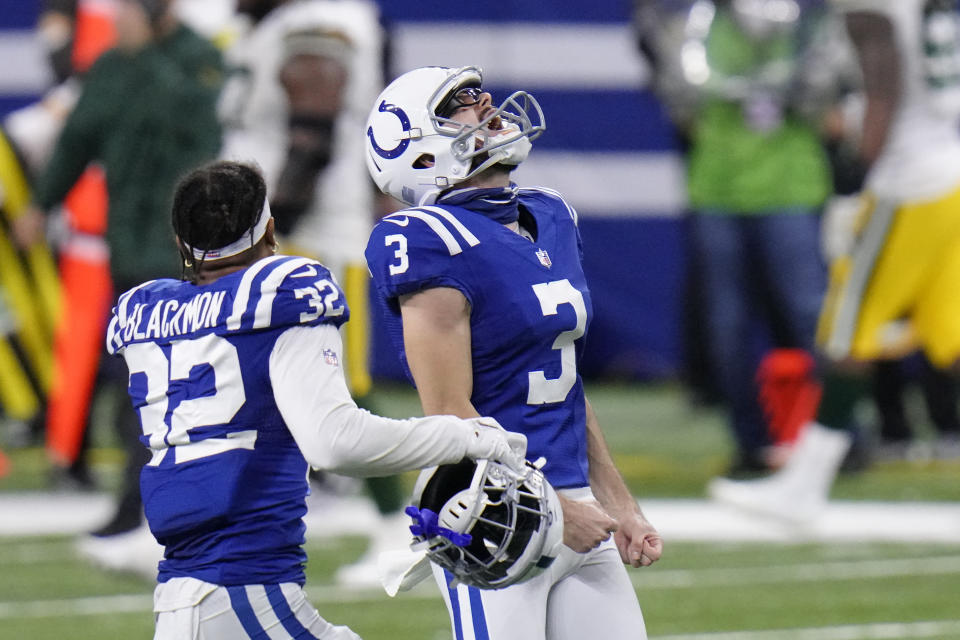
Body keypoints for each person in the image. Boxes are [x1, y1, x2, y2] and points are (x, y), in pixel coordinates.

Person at [107, 159, 527, 639]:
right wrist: (463, 435)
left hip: (189, 595)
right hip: (242, 590)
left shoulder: (142, 310)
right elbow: (335, 443)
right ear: (269, 230)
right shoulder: (283, 291)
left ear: (181, 242)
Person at [364, 65, 663, 639]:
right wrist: (551, 508)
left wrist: (618, 500)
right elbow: (450, 411)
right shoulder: (426, 239)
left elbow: (566, 382)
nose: (490, 107)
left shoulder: (549, 214)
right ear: (421, 153)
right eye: (462, 105)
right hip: (491, 508)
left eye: (481, 95)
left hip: (574, 500)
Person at [710, 0, 960, 520]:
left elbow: (884, 97)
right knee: (950, 340)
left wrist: (853, 182)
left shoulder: (873, 6)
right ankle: (803, 483)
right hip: (948, 175)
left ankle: (802, 488)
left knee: (847, 334)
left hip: (907, 185)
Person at [11, 0, 225, 556]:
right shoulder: (112, 64)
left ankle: (156, 504)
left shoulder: (199, 61)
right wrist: (41, 205)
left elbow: (200, 133)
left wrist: (149, 58)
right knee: (135, 381)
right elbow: (81, 137)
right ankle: (140, 503)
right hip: (127, 248)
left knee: (174, 382)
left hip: (182, 248)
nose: (120, 19)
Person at [216, 0, 406, 587]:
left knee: (340, 383)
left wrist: (265, 227)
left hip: (311, 236)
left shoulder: (318, 21)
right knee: (262, 384)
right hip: (294, 233)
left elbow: (313, 133)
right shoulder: (282, 23)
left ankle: (400, 523)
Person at [634, 0, 837, 477]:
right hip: (719, 188)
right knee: (727, 325)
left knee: (811, 315)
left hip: (789, 185)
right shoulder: (697, 26)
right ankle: (752, 442)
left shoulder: (806, 24)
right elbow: (676, 98)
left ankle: (835, 438)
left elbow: (824, 98)